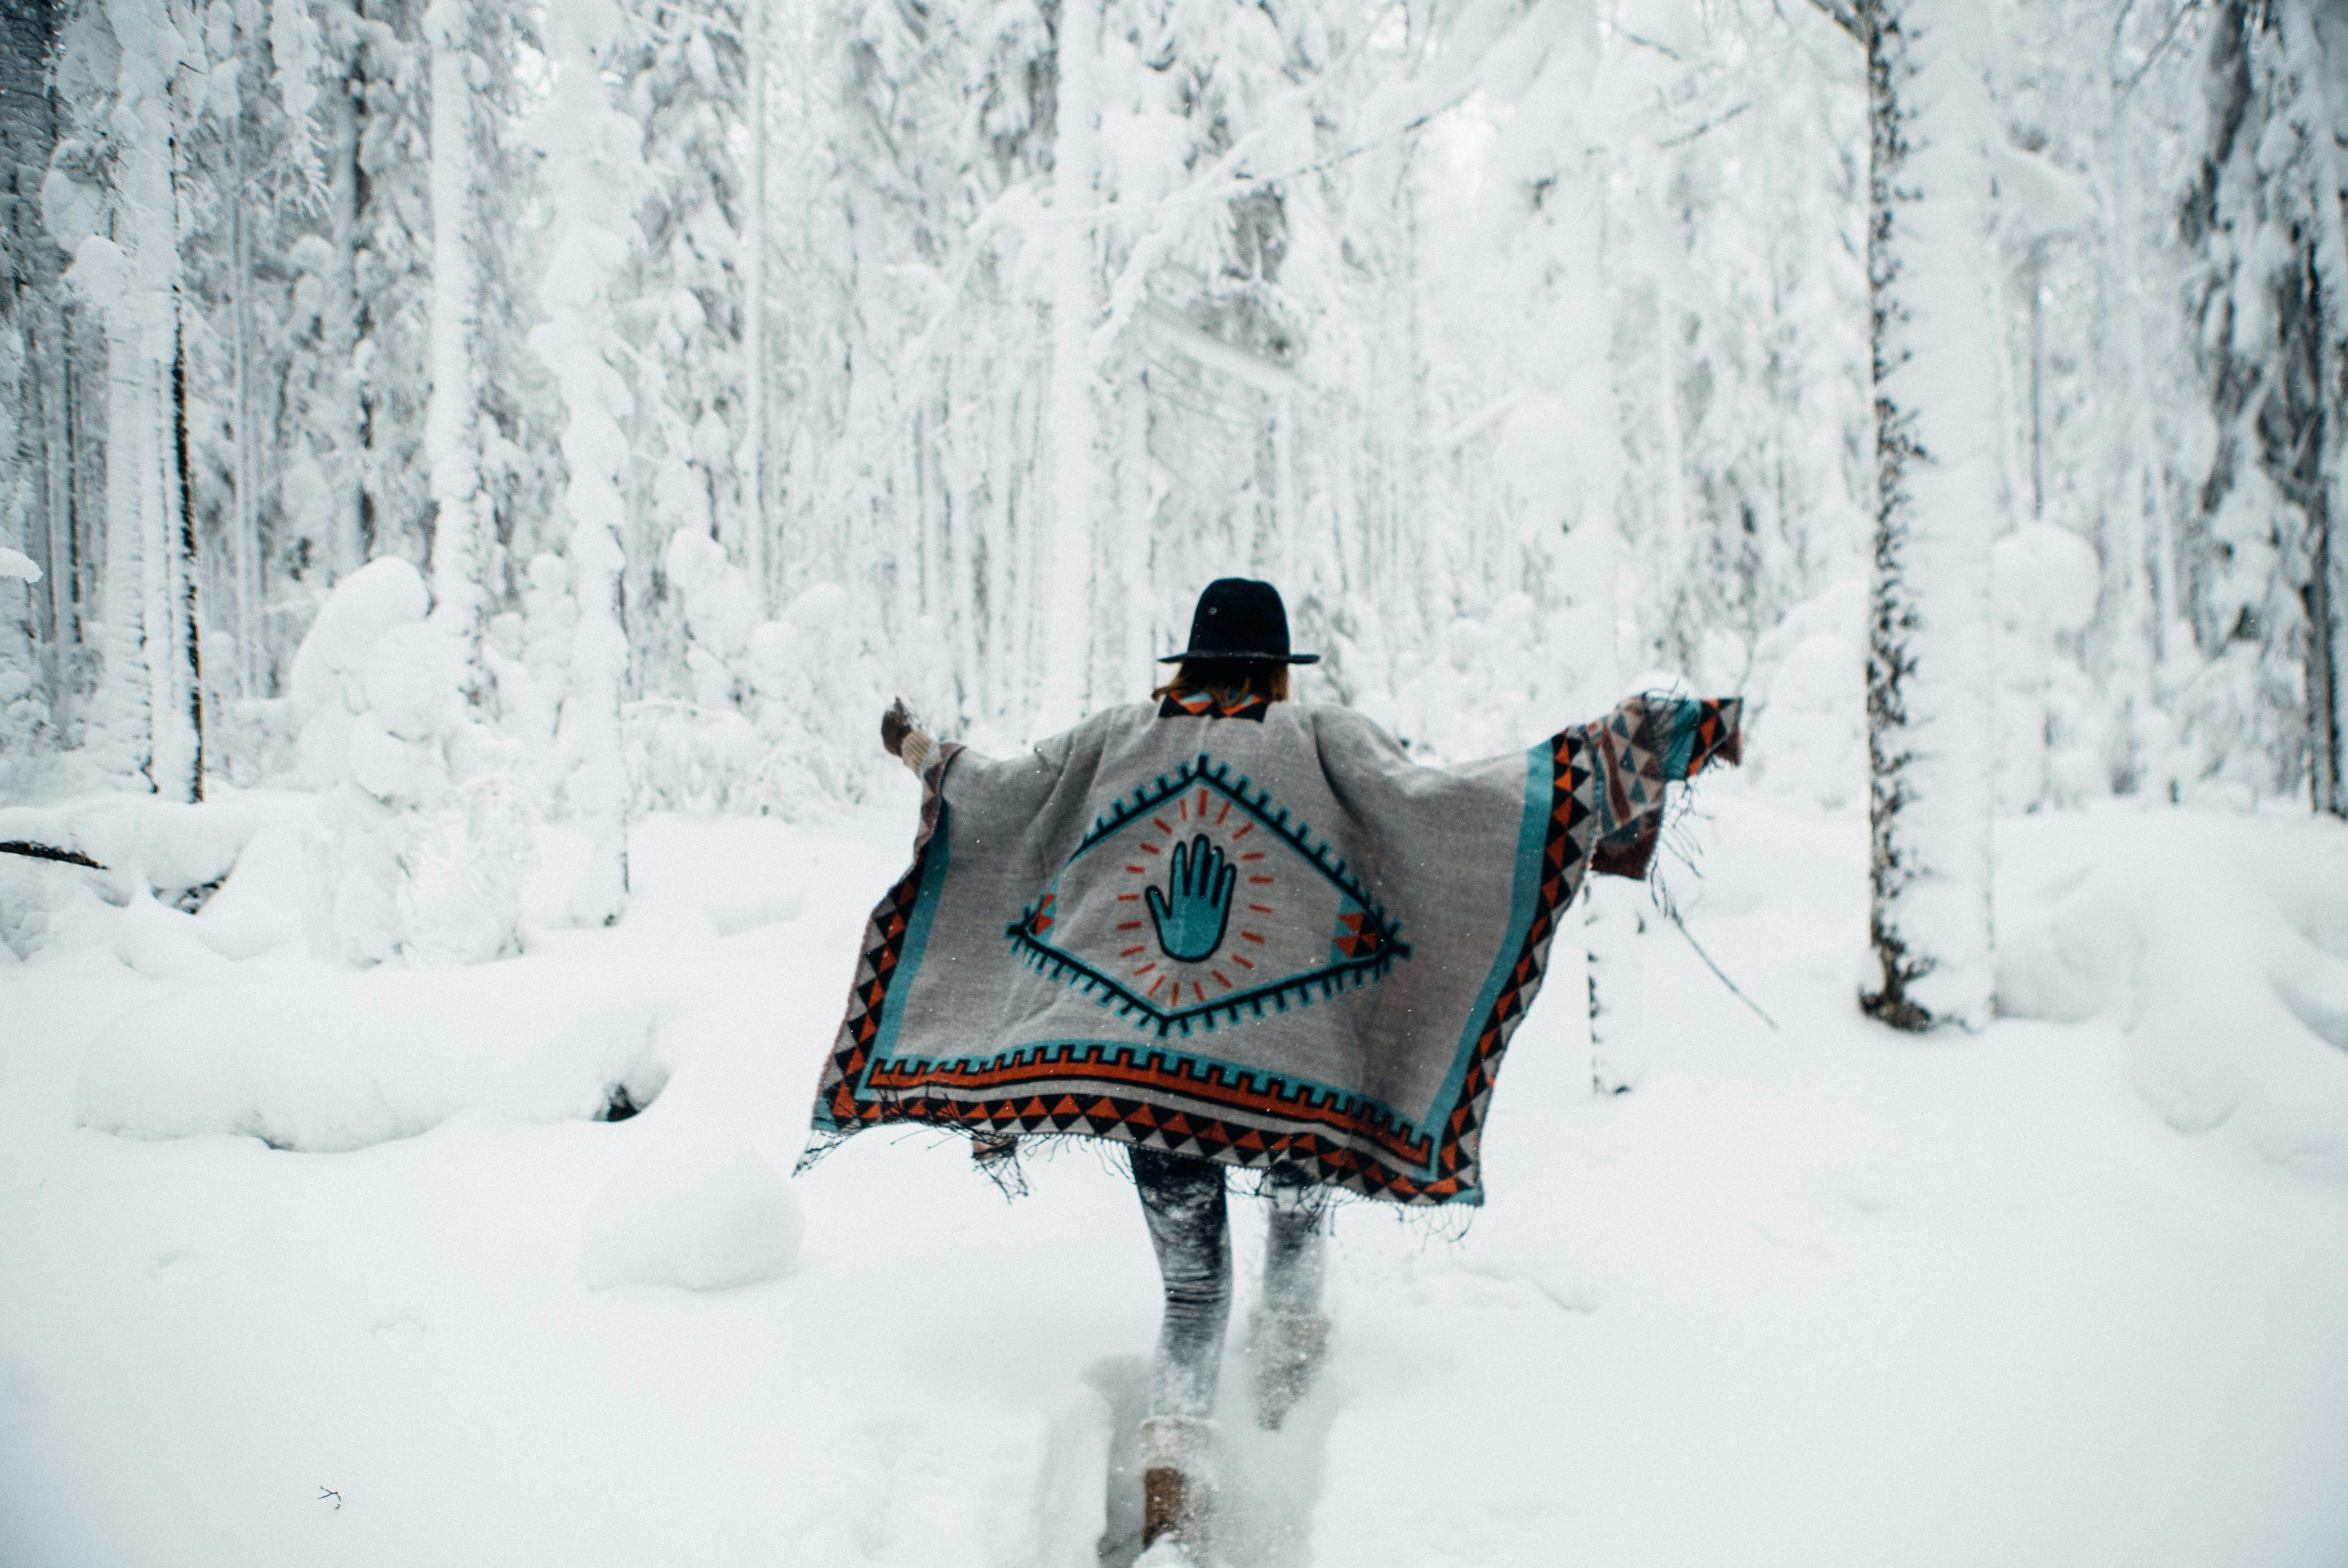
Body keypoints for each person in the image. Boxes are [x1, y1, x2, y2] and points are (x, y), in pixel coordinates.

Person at [807, 578, 1742, 1562]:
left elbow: (1000, 796)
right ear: (1275, 669)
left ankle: (1176, 1520)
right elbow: (1443, 810)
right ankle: (1288, 1396)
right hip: (1292, 1072)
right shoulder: (1323, 740)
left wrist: (920, 751)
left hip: (1143, 1081)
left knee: (1193, 1297)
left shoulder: (1114, 737)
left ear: (1190, 661)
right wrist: (1626, 753)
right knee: (1298, 1209)